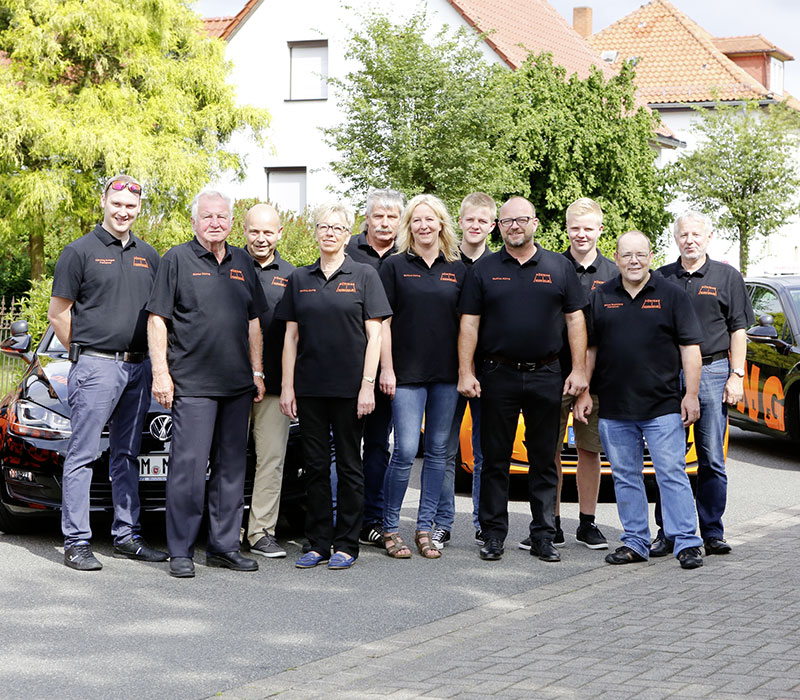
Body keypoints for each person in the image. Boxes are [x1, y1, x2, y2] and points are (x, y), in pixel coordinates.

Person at [458, 196, 589, 563]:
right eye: (507, 221)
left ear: (534, 224)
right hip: (496, 374)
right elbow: (469, 322)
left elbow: (576, 320)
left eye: (521, 220)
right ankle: (494, 535)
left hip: (548, 374)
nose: (514, 226)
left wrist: (578, 370)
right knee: (496, 458)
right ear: (498, 227)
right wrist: (465, 371)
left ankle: (544, 536)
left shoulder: (559, 267)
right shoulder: (482, 270)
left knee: (545, 459)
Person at [48, 174, 167, 571]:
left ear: (138, 209)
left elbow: (157, 316)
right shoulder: (78, 252)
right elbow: (59, 313)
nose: (123, 212)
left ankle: (126, 536)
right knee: (82, 454)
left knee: (127, 455)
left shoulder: (149, 255)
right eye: (117, 204)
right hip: (97, 366)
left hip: (139, 368)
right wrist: (84, 355)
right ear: (104, 202)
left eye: (131, 206)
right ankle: (77, 541)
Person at [147, 189, 267, 578]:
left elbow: (253, 322)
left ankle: (223, 546)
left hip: (236, 385)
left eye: (222, 217)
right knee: (188, 469)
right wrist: (161, 373)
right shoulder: (175, 260)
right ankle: (180, 550)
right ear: (194, 221)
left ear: (231, 222)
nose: (215, 223)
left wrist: (257, 372)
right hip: (192, 384)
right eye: (208, 216)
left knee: (232, 469)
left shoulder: (243, 262)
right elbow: (157, 320)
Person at [574, 231, 705, 570]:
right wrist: (585, 390)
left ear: (650, 256)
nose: (634, 261)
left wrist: (690, 394)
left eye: (641, 255)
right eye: (627, 255)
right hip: (615, 407)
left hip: (662, 407)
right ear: (616, 258)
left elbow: (690, 349)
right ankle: (635, 542)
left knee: (671, 473)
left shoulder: (672, 295)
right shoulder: (600, 297)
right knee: (624, 476)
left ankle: (687, 542)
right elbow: (590, 349)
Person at [278, 203, 391, 570]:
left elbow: (375, 336)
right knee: (313, 467)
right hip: (309, 389)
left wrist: (367, 386)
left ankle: (346, 544)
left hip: (349, 390)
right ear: (315, 232)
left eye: (337, 228)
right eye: (323, 226)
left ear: (347, 234)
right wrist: (288, 387)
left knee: (348, 465)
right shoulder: (299, 279)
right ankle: (318, 543)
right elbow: (290, 338)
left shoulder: (363, 275)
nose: (330, 232)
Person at [651, 211, 754, 557]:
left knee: (711, 459)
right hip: (669, 376)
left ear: (708, 238)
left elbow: (739, 330)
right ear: (676, 239)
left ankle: (712, 531)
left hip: (713, 372)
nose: (689, 240)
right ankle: (668, 532)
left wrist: (736, 376)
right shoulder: (662, 277)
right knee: (669, 459)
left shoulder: (727, 277)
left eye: (696, 234)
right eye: (684, 235)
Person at [520, 197, 616, 552]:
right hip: (552, 373)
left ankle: (587, 523)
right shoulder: (550, 266)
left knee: (589, 451)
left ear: (600, 230)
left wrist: (587, 384)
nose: (581, 234)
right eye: (575, 228)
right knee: (548, 451)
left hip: (597, 379)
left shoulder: (613, 273)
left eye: (588, 228)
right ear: (566, 229)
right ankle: (551, 522)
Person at [379, 194, 467, 559]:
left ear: (442, 224)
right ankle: (389, 528)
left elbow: (468, 326)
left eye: (430, 219)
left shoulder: (459, 268)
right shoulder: (394, 266)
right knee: (405, 451)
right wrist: (386, 368)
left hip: (447, 376)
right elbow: (382, 323)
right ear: (408, 226)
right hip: (407, 375)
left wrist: (466, 370)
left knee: (438, 453)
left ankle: (425, 528)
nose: (424, 226)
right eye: (417, 220)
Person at [432, 192, 495, 550]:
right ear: (461, 221)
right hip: (445, 370)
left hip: (488, 371)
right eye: (470, 220)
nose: (475, 226)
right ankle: (443, 522)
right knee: (443, 448)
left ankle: (484, 523)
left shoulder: (498, 266)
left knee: (486, 451)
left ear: (492, 225)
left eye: (482, 221)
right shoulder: (444, 263)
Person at [344, 188, 405, 548]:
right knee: (343, 447)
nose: (384, 223)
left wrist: (387, 368)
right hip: (347, 367)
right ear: (366, 218)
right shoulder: (346, 248)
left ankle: (373, 518)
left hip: (388, 368)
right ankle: (341, 518)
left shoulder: (407, 253)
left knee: (379, 446)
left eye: (392, 217)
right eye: (378, 216)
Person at [242, 204, 295, 558]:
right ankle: (224, 529)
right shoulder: (227, 266)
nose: (261, 239)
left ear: (279, 234)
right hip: (228, 383)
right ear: (243, 232)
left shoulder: (293, 276)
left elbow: (297, 334)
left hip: (274, 386)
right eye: (254, 231)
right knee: (225, 459)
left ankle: (260, 531)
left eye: (268, 232)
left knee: (271, 460)